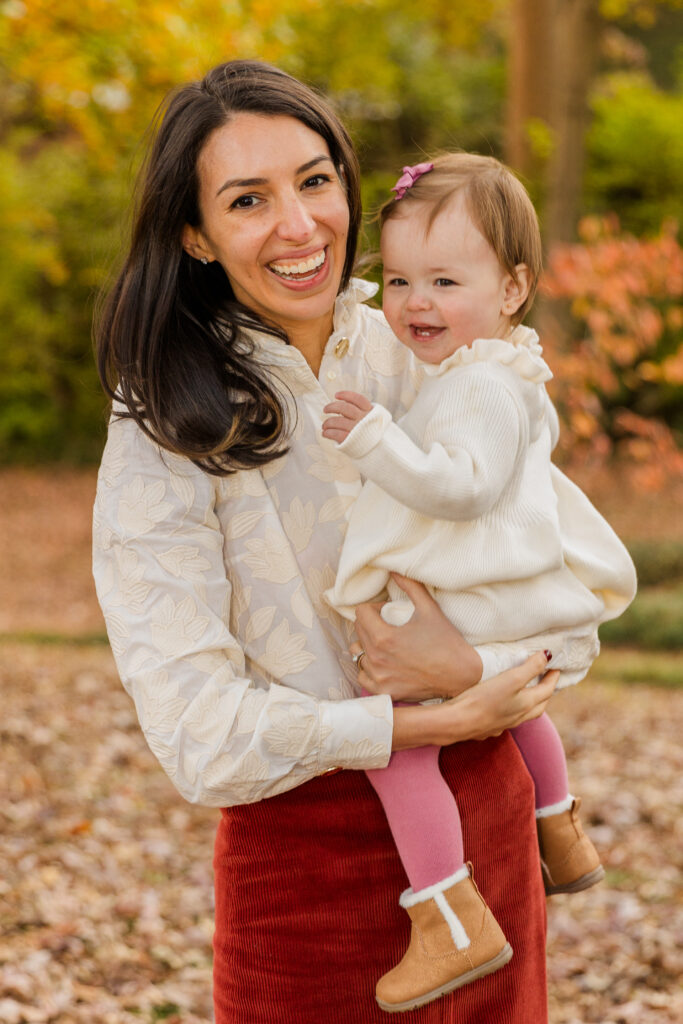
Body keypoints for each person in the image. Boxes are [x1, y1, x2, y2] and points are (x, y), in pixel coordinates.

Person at [92, 60, 561, 1024]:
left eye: (314, 181)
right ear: (196, 233)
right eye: (247, 200)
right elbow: (195, 734)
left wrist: (468, 666)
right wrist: (413, 724)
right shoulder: (162, 422)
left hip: (489, 835)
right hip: (300, 874)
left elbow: (565, 587)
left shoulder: (429, 339)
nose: (299, 225)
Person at [323, 154, 637, 1012]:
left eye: (445, 280)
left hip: (469, 596)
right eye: (398, 278)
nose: (416, 301)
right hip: (493, 598)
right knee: (517, 704)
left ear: (511, 289)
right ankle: (560, 831)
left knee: (396, 739)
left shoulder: (482, 389)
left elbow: (461, 487)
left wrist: (375, 443)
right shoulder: (495, 369)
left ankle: (446, 919)